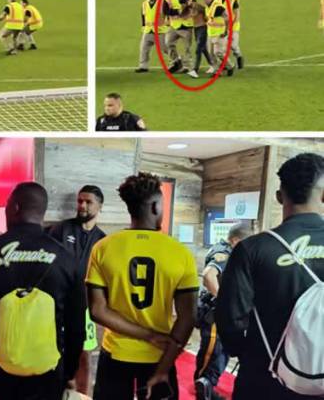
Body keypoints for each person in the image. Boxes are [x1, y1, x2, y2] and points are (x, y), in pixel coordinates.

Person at [0, 182, 84, 400]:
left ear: (15, 208)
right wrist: (69, 369)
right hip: (48, 368)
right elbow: (76, 323)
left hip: (0, 366)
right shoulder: (66, 258)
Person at [217, 153, 324, 400]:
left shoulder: (252, 249)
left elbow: (229, 319)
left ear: (279, 196)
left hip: (264, 377)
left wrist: (248, 354)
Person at [87, 172, 199, 400]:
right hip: (159, 357)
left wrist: (147, 335)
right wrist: (163, 368)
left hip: (116, 355)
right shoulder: (180, 253)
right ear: (157, 206)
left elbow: (98, 311)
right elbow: (187, 318)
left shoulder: (103, 248)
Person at [48, 185, 107, 397]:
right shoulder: (61, 229)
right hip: (56, 303)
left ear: (100, 206)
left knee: (84, 353)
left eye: (88, 202)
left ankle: (84, 395)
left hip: (85, 306)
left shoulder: (103, 240)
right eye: (80, 201)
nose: (82, 205)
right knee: (54, 350)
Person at [194, 223, 252, 400]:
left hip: (218, 315)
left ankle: (206, 387)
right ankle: (204, 389)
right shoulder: (225, 253)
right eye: (245, 242)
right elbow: (209, 276)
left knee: (220, 352)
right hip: (215, 314)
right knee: (213, 353)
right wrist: (224, 302)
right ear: (235, 240)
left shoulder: (223, 248)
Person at [164, 0, 198, 79]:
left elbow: (195, 7)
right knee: (168, 43)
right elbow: (165, 11)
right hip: (174, 26)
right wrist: (179, 11)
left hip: (187, 27)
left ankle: (190, 69)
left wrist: (188, 10)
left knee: (187, 48)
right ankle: (176, 62)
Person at [203, 0, 234, 77]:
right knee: (211, 53)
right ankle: (217, 71)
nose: (204, 0)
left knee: (218, 52)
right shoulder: (207, 7)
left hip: (219, 33)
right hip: (210, 33)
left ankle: (230, 66)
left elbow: (227, 18)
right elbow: (209, 18)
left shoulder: (218, 6)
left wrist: (225, 30)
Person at [136, 0, 167, 73]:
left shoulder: (162, 3)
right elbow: (143, 16)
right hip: (148, 30)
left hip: (160, 31)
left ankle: (177, 61)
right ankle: (143, 66)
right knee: (144, 48)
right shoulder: (144, 4)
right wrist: (143, 26)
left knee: (166, 48)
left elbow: (167, 14)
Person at [215, 0, 244, 69]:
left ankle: (239, 56)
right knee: (221, 47)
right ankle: (224, 64)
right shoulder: (216, 0)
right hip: (222, 27)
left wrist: (231, 25)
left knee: (233, 46)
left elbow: (237, 15)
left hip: (233, 27)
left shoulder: (233, 0)